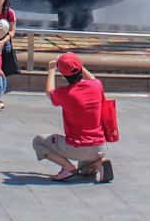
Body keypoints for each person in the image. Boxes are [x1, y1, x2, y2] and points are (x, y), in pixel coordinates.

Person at [33, 52, 112, 182]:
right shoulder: (97, 85)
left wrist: (51, 70)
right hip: (100, 146)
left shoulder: (66, 93)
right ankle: (99, 163)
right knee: (85, 171)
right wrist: (76, 64)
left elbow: (49, 92)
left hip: (78, 147)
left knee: (38, 141)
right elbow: (92, 78)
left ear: (64, 75)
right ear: (81, 68)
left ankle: (67, 168)